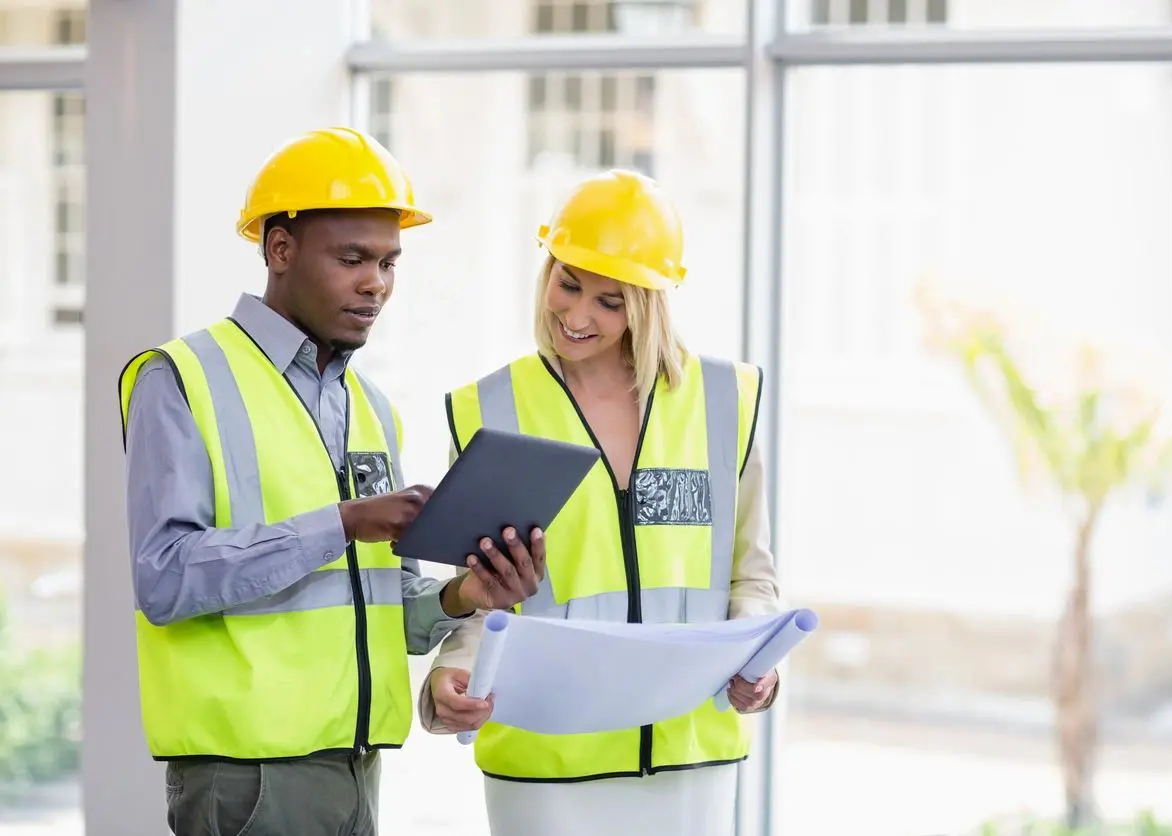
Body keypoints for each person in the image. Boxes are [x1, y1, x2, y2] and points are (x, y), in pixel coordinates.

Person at [117, 127, 547, 836]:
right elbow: (164, 580)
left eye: (387, 262)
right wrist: (343, 523)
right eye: (352, 258)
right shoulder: (180, 379)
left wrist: (465, 592)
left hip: (355, 766)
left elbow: (383, 608)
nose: (375, 282)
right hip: (247, 776)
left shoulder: (371, 407)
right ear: (279, 250)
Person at [419, 169, 784, 836]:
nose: (577, 316)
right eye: (568, 282)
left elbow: (750, 575)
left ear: (650, 304)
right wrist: (451, 674)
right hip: (546, 760)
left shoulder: (726, 401)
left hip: (689, 756)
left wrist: (762, 668)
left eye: (611, 302)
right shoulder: (490, 409)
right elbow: (478, 593)